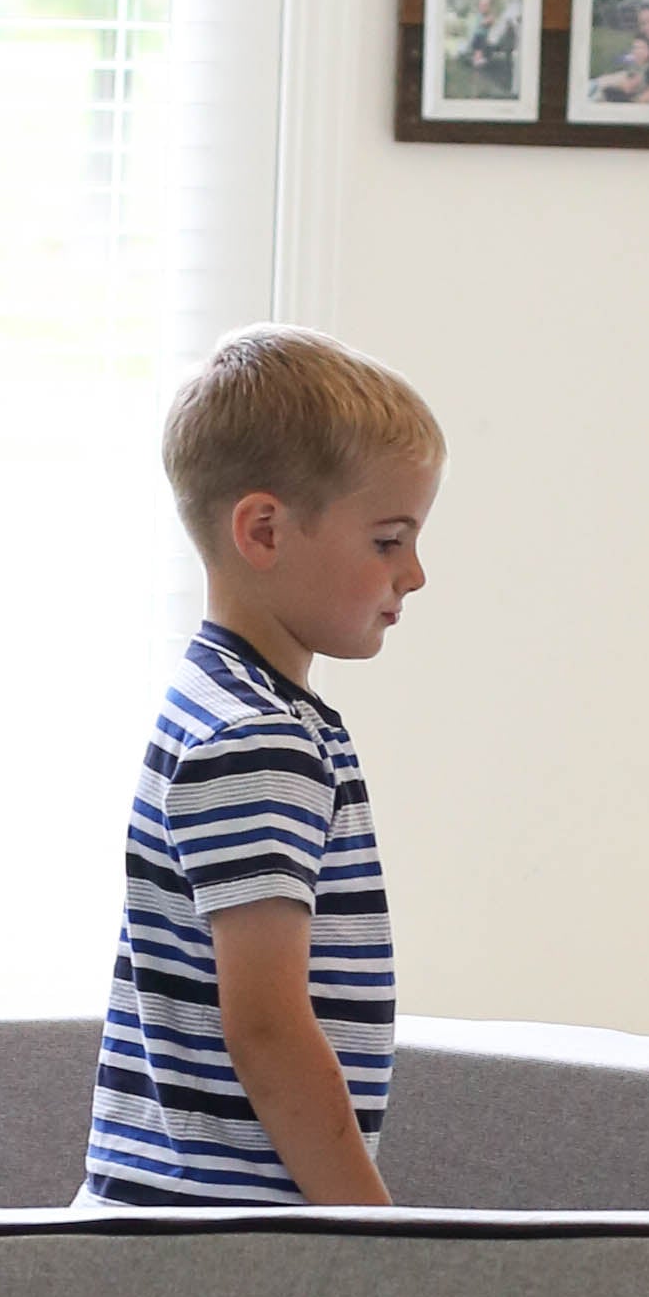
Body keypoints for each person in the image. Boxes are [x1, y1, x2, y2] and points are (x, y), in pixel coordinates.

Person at [83, 328, 444, 1209]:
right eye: (389, 541)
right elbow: (271, 1031)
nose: (417, 574)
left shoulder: (223, 704)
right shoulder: (256, 739)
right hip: (220, 1244)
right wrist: (378, 1234)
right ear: (265, 531)